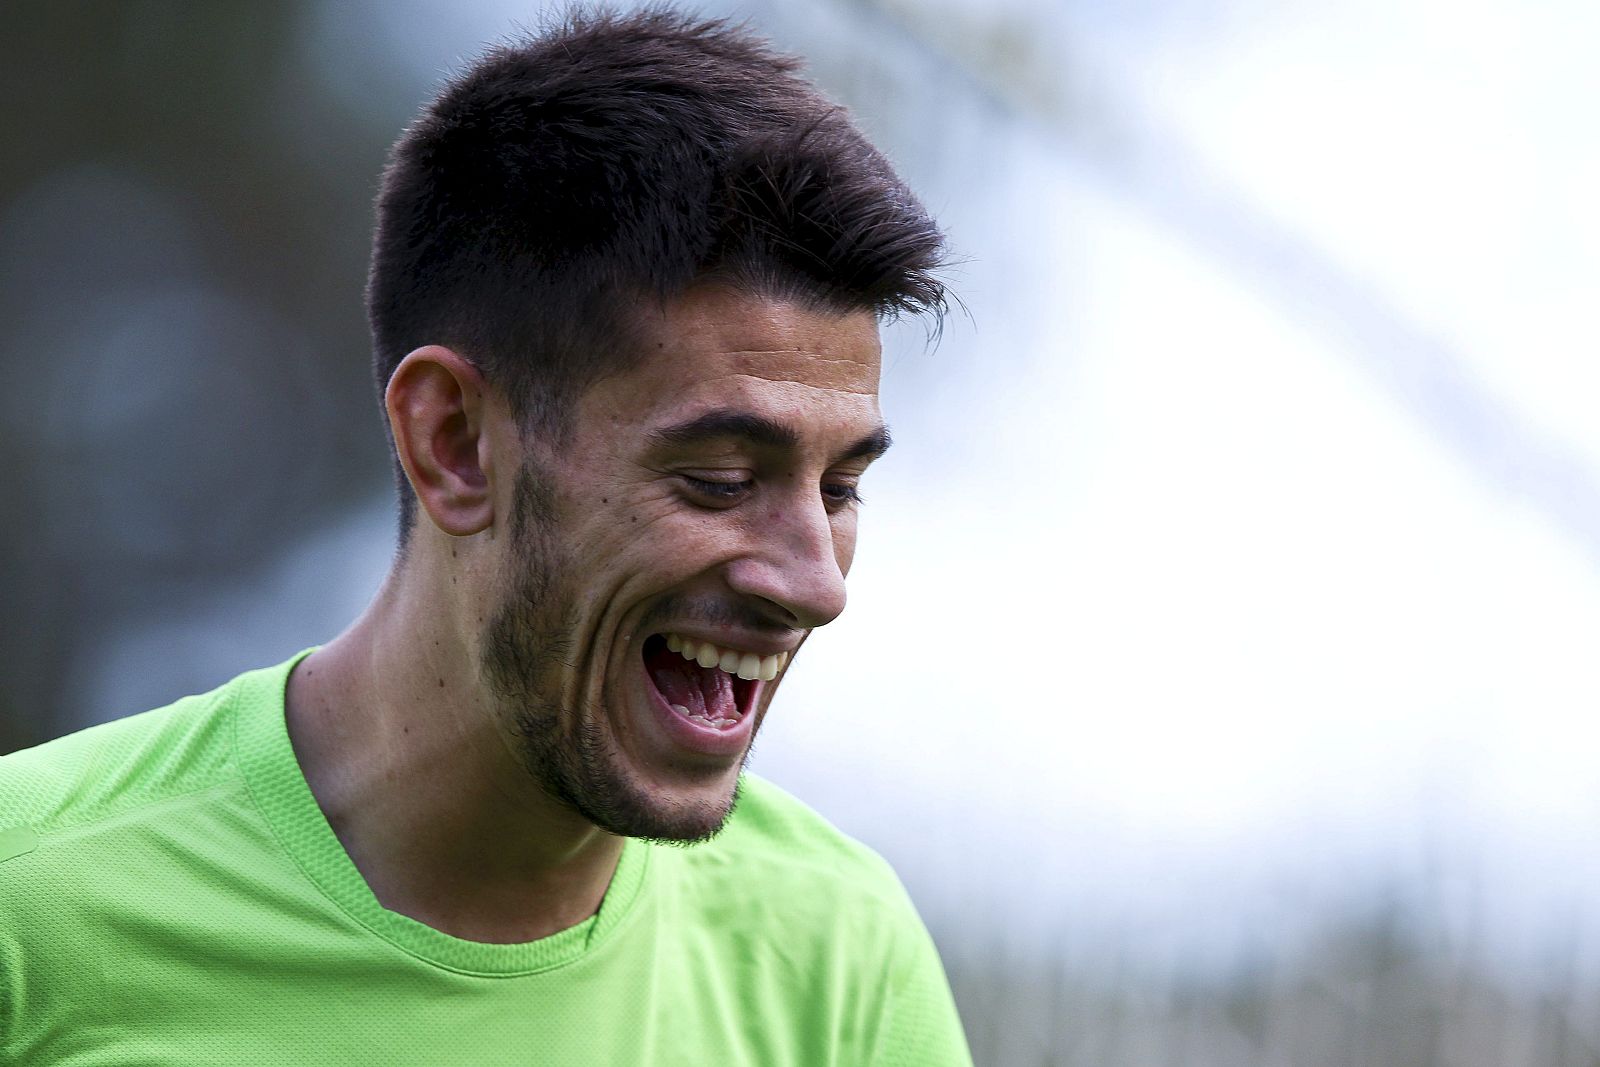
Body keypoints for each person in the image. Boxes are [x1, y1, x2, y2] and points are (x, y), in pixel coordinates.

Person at [0, 8, 971, 1064]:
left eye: (838, 487)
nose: (815, 581)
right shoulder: (31, 902)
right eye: (719, 479)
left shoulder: (840, 966)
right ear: (454, 442)